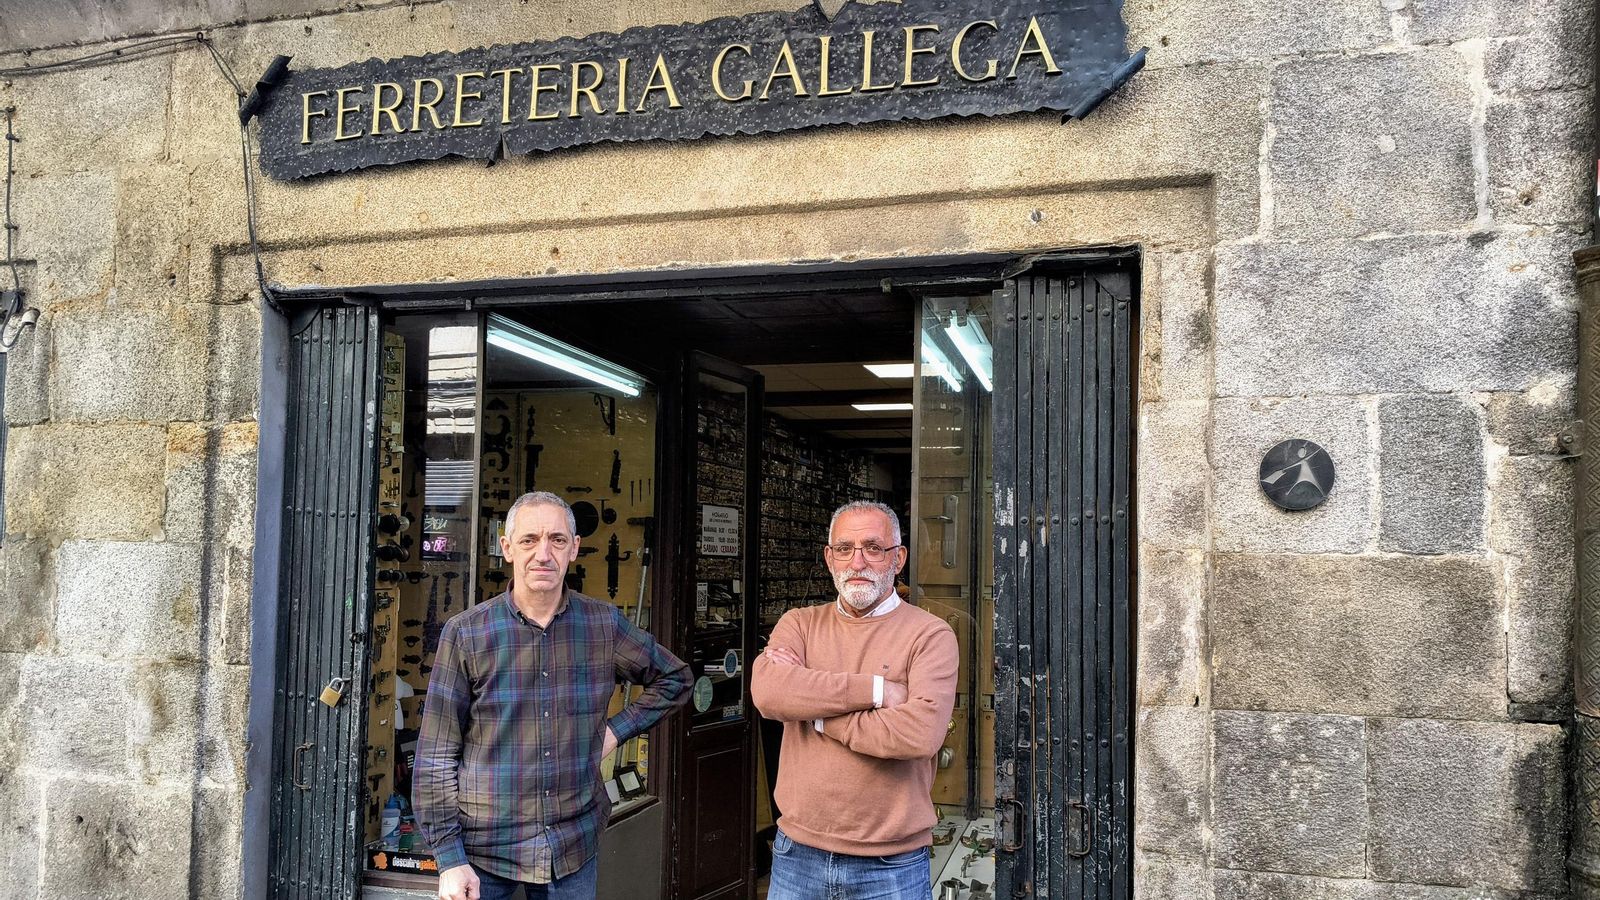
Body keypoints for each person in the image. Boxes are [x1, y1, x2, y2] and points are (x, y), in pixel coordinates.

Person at [415, 491, 691, 900]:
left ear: (574, 548)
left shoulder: (603, 625)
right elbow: (436, 756)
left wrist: (613, 732)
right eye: (529, 540)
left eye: (557, 540)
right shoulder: (468, 633)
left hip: (571, 844)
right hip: (484, 851)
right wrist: (450, 858)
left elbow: (676, 678)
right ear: (507, 548)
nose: (543, 553)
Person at [751, 500, 959, 900]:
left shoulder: (930, 635)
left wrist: (817, 717)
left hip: (890, 865)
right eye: (844, 549)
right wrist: (876, 691)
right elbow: (769, 692)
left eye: (873, 548)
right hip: (798, 856)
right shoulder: (800, 623)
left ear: (898, 558)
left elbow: (918, 734)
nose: (857, 562)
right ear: (829, 558)